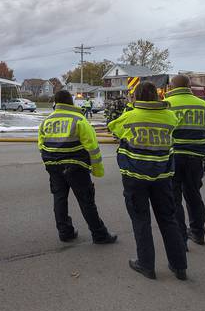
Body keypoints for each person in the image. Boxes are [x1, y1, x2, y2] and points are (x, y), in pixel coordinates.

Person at [108, 82, 187, 280]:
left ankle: (146, 264)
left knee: (141, 220)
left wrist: (130, 107)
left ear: (136, 97)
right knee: (168, 220)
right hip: (162, 177)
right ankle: (179, 267)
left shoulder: (130, 117)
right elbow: (175, 126)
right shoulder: (170, 116)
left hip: (135, 178)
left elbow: (113, 129)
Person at [38, 90, 117, 244]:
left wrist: (50, 164)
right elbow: (92, 147)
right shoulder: (79, 119)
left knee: (59, 199)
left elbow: (41, 145)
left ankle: (65, 232)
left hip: (54, 167)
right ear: (71, 102)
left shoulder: (46, 121)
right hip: (76, 168)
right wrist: (98, 170)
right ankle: (99, 234)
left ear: (56, 102)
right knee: (86, 201)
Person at [163, 75, 205, 246]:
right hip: (196, 156)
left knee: (174, 197)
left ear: (171, 86)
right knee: (194, 195)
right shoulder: (204, 104)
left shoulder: (167, 104)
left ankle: (180, 236)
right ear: (189, 85)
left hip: (174, 155)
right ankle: (198, 233)